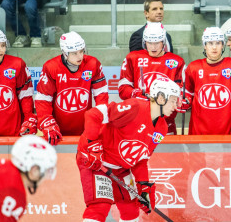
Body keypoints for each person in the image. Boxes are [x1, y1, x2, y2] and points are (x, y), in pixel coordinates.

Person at [76, 77, 181, 222]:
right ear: (161, 98)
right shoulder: (135, 107)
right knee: (100, 207)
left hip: (120, 167)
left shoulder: (161, 128)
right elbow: (93, 114)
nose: (175, 106)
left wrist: (143, 187)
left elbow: (141, 159)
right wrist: (93, 147)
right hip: (95, 160)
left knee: (130, 209)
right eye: (173, 100)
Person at [35, 31, 108, 145]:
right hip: (58, 129)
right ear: (65, 53)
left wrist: (101, 120)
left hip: (85, 128)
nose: (80, 56)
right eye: (74, 53)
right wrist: (47, 122)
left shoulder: (93, 64)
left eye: (81, 51)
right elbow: (43, 99)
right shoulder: (51, 67)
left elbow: (101, 95)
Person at [180, 27, 231, 135]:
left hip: (228, 134)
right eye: (210, 43)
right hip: (198, 134)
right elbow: (187, 94)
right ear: (204, 45)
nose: (214, 47)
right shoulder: (193, 68)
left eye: (218, 43)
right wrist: (183, 101)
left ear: (223, 45)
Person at [119, 22, 185, 134]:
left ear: (163, 41)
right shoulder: (133, 58)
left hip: (166, 124)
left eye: (157, 43)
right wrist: (138, 94)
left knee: (167, 151)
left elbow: (182, 92)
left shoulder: (177, 61)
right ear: (144, 42)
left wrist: (171, 99)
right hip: (138, 122)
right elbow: (123, 89)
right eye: (149, 42)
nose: (153, 47)